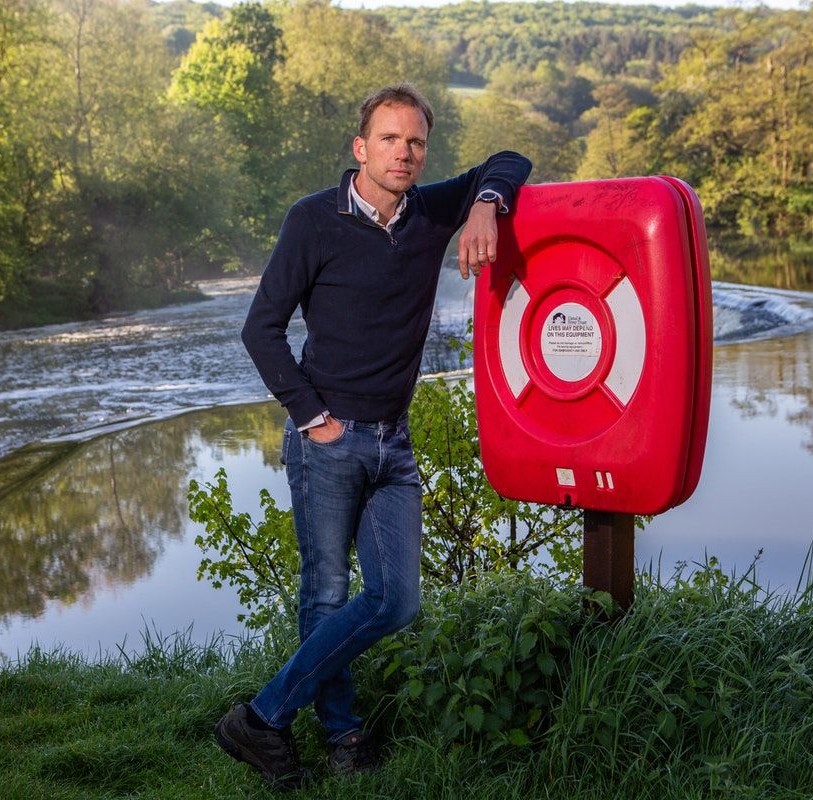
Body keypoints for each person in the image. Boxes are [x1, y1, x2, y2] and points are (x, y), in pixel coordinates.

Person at [215, 82, 531, 790]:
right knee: (325, 595)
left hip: (396, 445)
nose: (405, 152)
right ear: (361, 149)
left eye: (416, 141)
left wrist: (484, 204)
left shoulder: (430, 212)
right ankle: (342, 736)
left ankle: (261, 720)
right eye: (389, 139)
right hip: (328, 440)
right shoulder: (313, 222)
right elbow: (260, 329)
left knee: (396, 599)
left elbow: (509, 159)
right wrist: (310, 416)